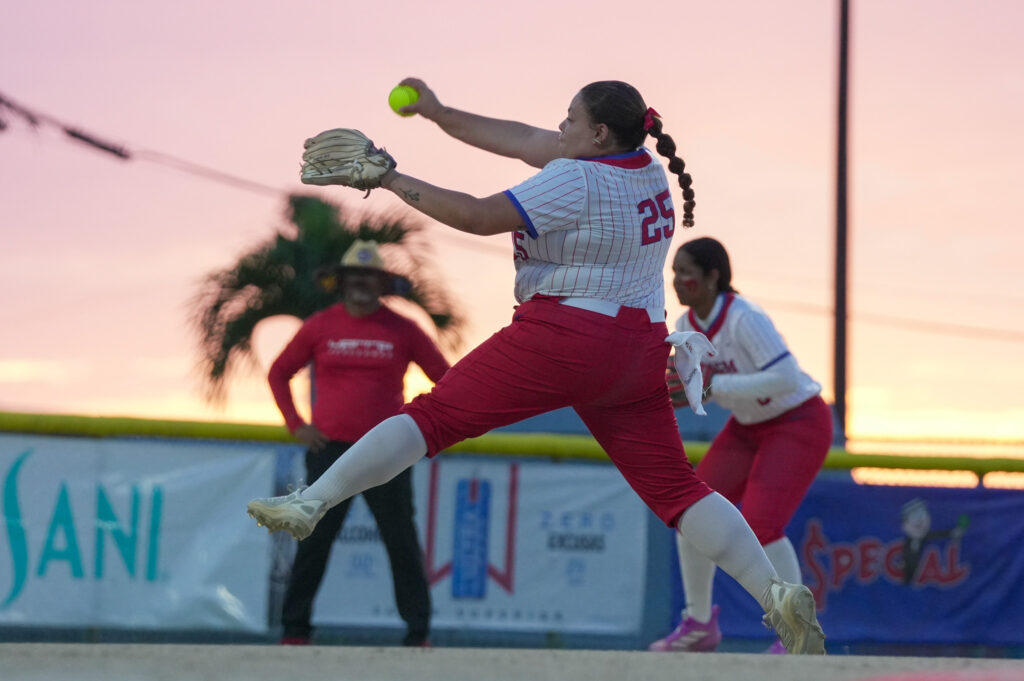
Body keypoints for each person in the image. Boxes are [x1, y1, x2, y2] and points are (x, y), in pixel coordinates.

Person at [248, 78, 826, 654]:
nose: (560, 126)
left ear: (598, 132)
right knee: (678, 490)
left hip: (568, 334)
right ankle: (776, 594)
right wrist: (440, 113)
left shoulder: (575, 176)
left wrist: (389, 177)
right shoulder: (646, 167)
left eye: (570, 118)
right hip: (638, 347)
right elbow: (523, 137)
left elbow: (475, 215)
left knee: (433, 417)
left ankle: (312, 501)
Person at [648, 236, 833, 654]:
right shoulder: (683, 327)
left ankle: (799, 632)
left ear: (714, 277)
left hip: (797, 420)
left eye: (687, 272)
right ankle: (698, 625)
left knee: (763, 525)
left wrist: (714, 384)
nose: (677, 280)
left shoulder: (744, 317)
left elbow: (786, 378)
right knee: (688, 511)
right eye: (674, 272)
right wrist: (679, 389)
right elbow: (696, 387)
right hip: (749, 425)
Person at [267, 239, 450, 647]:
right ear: (341, 280)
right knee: (313, 539)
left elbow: (447, 379)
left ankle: (418, 634)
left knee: (401, 542)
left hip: (387, 454)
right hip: (329, 451)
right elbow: (278, 373)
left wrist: (418, 422)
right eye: (354, 275)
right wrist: (297, 425)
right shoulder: (319, 326)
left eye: (369, 275)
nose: (360, 282)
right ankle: (295, 631)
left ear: (382, 282)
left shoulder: (404, 329)